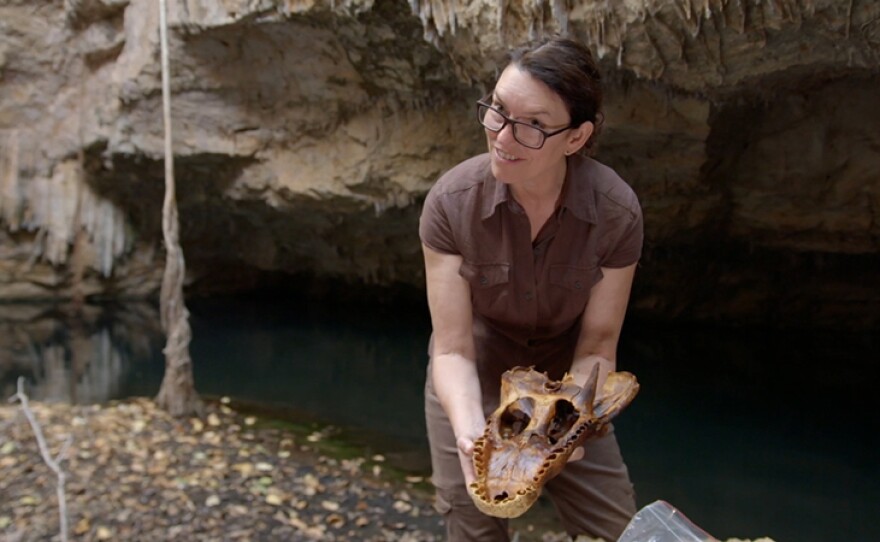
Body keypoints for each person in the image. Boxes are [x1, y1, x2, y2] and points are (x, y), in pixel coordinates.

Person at [418, 35, 643, 541]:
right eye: (497, 110)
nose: (503, 136)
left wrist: (559, 431)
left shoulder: (616, 213)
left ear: (577, 137)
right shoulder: (450, 203)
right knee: (474, 529)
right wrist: (470, 431)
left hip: (569, 390)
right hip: (470, 385)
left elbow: (598, 347)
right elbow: (452, 349)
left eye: (533, 125)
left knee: (618, 533)